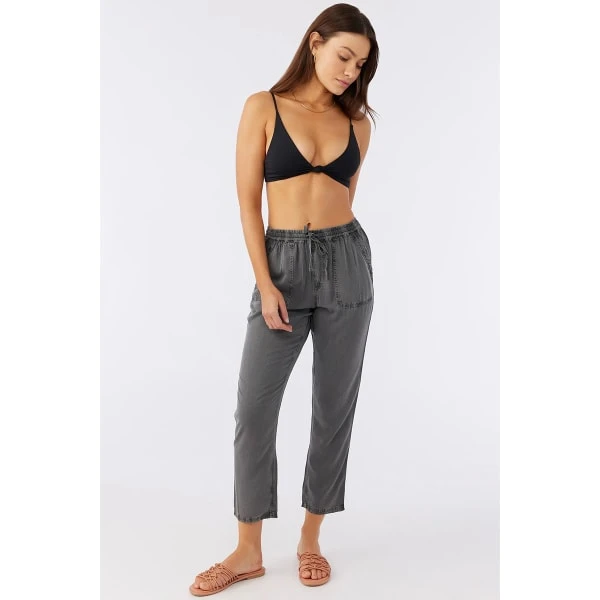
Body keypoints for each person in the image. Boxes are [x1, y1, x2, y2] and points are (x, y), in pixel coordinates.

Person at [189, 3, 379, 596]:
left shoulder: (359, 124)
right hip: (282, 263)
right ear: (315, 43)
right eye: (344, 56)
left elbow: (346, 197)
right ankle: (247, 550)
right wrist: (267, 282)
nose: (350, 72)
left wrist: (332, 256)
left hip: (347, 264)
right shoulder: (263, 107)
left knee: (333, 407)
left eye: (361, 65)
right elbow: (249, 201)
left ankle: (310, 539)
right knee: (254, 409)